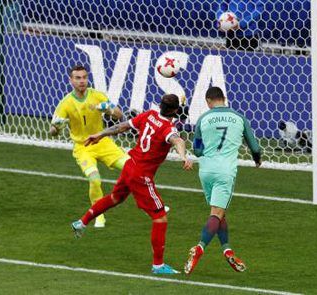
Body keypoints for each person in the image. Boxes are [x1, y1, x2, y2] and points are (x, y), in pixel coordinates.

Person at [71, 94, 193, 275]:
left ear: (159, 106)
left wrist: (100, 133)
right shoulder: (168, 128)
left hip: (129, 164)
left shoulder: (149, 115)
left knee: (115, 198)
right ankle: (158, 265)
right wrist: (183, 156)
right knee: (160, 217)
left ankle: (81, 222)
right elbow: (178, 140)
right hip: (142, 175)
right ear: (175, 110)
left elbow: (122, 126)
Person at [184, 87, 261, 274]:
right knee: (217, 213)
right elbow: (254, 146)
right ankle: (199, 248)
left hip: (206, 171)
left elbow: (197, 150)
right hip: (225, 172)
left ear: (208, 101)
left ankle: (227, 250)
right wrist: (257, 160)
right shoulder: (239, 117)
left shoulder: (204, 119)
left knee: (218, 212)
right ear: (224, 99)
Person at [50, 65, 128, 228]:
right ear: (71, 80)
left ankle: (156, 205)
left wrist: (109, 110)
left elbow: (120, 115)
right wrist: (57, 127)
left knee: (134, 169)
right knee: (95, 180)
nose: (82, 81)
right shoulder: (65, 103)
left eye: (84, 77)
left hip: (103, 142)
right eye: (78, 78)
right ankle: (99, 216)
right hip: (83, 147)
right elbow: (52, 131)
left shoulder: (97, 96)